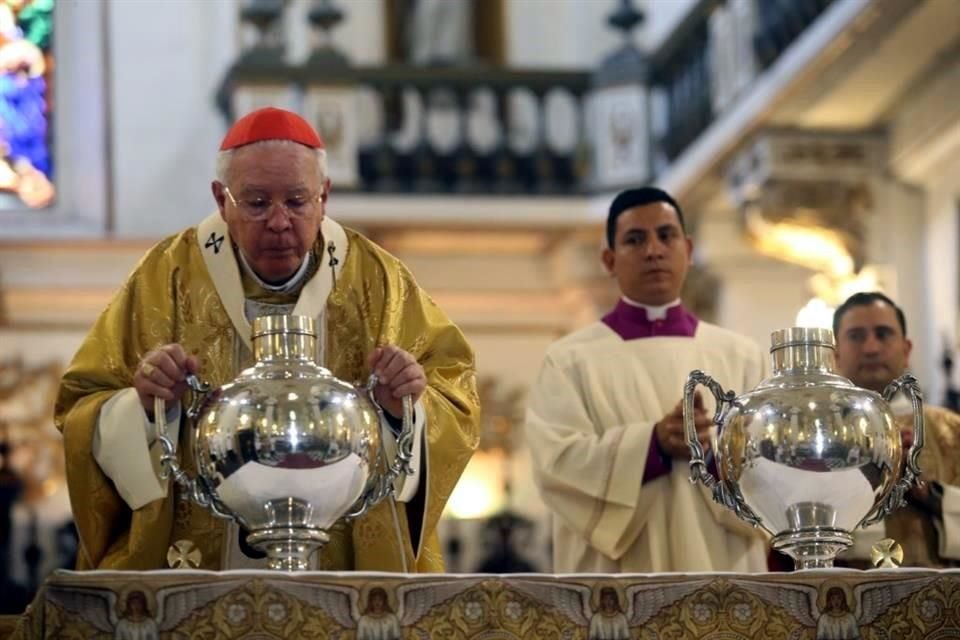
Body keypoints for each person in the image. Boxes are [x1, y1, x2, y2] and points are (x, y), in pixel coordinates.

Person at [55, 107, 480, 572]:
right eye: (257, 203)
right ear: (222, 199)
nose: (279, 222)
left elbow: (453, 398)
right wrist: (149, 406)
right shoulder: (169, 276)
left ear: (325, 196)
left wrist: (402, 411)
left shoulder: (378, 281)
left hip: (341, 560)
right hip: (198, 562)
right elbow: (82, 405)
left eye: (297, 202)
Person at [524, 187, 768, 573]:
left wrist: (708, 454)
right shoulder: (569, 360)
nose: (653, 250)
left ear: (687, 249)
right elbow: (557, 464)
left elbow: (770, 468)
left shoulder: (741, 356)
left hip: (721, 569)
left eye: (666, 236)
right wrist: (652, 445)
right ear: (609, 260)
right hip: (617, 582)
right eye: (635, 240)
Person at [834, 291, 960, 567]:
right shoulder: (813, 433)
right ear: (836, 355)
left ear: (906, 350)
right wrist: (868, 475)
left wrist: (929, 494)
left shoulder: (949, 430)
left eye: (883, 334)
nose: (871, 348)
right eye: (856, 336)